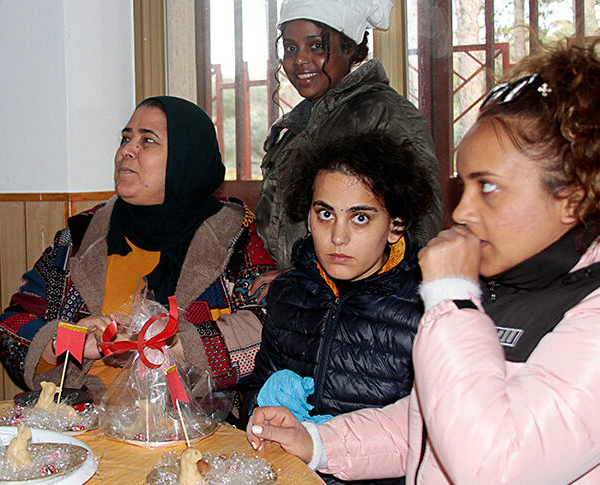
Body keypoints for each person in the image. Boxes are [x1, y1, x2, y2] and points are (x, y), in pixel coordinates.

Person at [247, 42, 600, 483]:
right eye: (464, 186)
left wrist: (452, 298)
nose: (464, 212)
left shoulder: (586, 315)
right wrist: (317, 442)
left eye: (488, 187)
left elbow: (493, 466)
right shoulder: (505, 288)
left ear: (572, 198)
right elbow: (424, 426)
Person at [0, 96, 276, 400]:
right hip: (88, 419)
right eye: (126, 138)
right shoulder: (80, 236)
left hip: (191, 428)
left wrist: (173, 343)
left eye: (147, 141)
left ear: (186, 157)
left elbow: (270, 325)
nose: (126, 150)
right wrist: (73, 342)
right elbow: (12, 325)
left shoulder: (234, 237)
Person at [242, 132, 433, 485]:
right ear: (309, 218)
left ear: (395, 225)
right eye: (326, 213)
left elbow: (428, 438)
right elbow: (257, 391)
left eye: (360, 218)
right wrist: (262, 416)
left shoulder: (427, 306)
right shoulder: (288, 293)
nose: (338, 237)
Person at [254, 0, 443, 275]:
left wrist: (303, 281)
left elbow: (421, 235)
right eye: (291, 48)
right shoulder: (294, 129)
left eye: (316, 46)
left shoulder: (386, 115)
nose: (300, 60)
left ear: (349, 47)